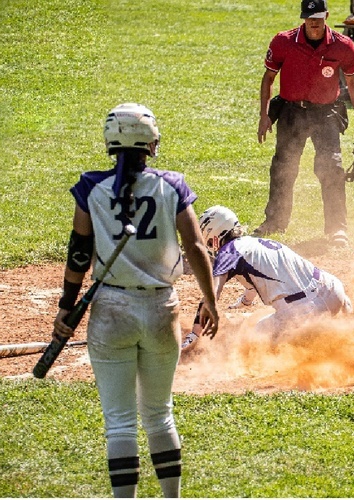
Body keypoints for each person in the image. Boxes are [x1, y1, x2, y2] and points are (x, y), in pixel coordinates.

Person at [52, 103, 220, 498]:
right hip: (162, 309)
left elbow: (79, 250)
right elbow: (195, 245)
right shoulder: (172, 185)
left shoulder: (90, 187)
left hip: (111, 310)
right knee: (160, 416)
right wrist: (210, 299)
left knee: (120, 423)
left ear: (110, 142)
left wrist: (66, 307)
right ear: (151, 144)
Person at [256, 0, 354, 247]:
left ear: (326, 16)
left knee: (331, 167)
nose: (313, 22)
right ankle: (275, 222)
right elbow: (268, 79)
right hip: (291, 111)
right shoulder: (283, 42)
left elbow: (352, 83)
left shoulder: (343, 47)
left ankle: (337, 229)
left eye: (318, 17)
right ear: (303, 18)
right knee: (283, 167)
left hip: (325, 113)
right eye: (309, 17)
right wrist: (264, 115)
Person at [180, 205, 353, 351]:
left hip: (307, 311)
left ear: (214, 237)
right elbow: (255, 279)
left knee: (251, 340)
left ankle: (323, 346)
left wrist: (195, 332)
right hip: (333, 289)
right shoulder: (254, 243)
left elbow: (211, 294)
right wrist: (246, 301)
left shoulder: (229, 252)